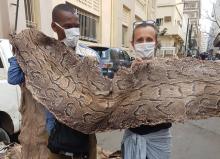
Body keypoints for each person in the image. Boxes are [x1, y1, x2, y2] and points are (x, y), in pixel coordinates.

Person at [8, 4, 96, 159]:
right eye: (68, 26)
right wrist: (20, 49)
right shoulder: (40, 56)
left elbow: (97, 93)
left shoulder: (89, 56)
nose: (74, 31)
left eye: (76, 26)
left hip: (81, 133)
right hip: (52, 135)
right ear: (55, 27)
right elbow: (14, 78)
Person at [121, 21, 172, 159]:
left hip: (159, 142)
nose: (144, 43)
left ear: (156, 42)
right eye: (140, 40)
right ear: (133, 44)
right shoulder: (124, 71)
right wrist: (131, 75)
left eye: (149, 39)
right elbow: (116, 105)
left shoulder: (167, 70)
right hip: (133, 137)